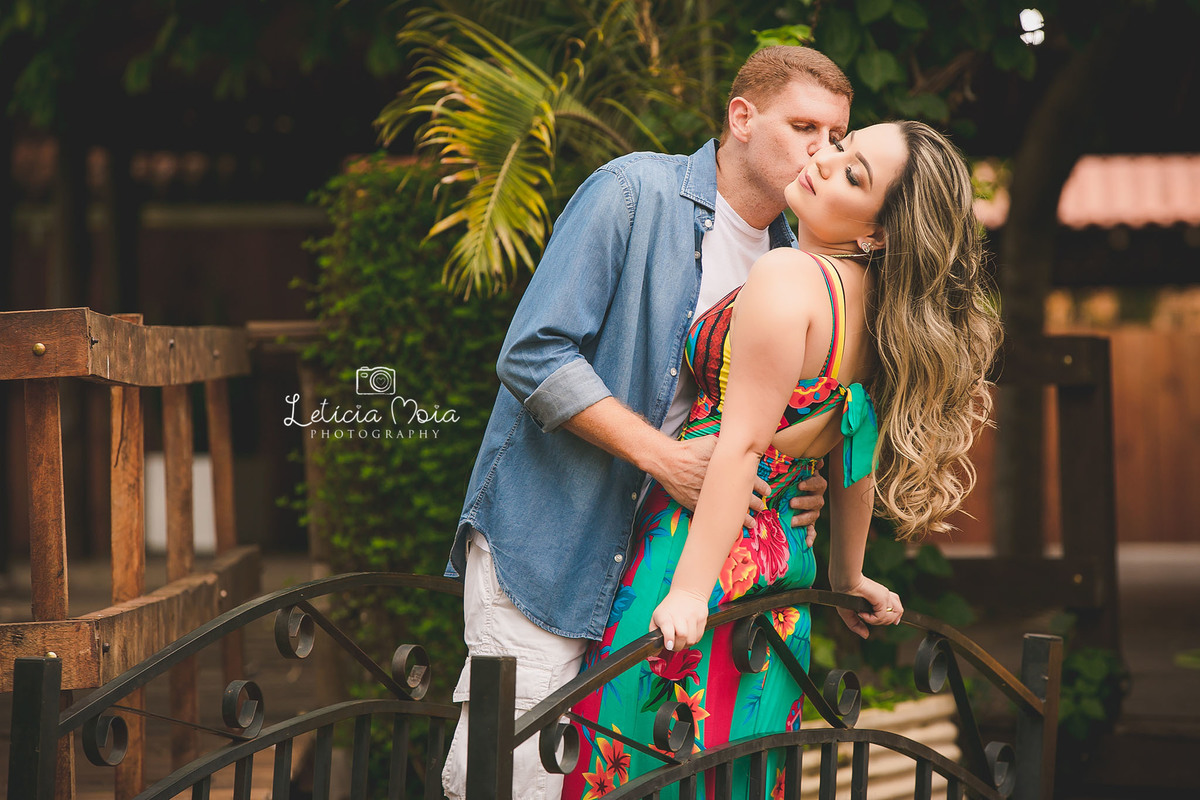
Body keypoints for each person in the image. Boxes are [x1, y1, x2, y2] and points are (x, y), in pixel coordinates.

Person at [441, 47, 854, 800]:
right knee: (515, 780)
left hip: (671, 569)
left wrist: (801, 478)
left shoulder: (794, 258)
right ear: (742, 118)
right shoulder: (632, 193)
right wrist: (668, 461)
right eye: (803, 128)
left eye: (836, 137)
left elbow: (769, 420)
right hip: (557, 538)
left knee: (620, 782)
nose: (821, 153)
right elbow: (533, 354)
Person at [563, 121, 1003, 799]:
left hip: (694, 554)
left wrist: (688, 592)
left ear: (879, 234)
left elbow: (741, 446)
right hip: (784, 576)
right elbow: (856, 444)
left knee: (626, 774)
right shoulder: (879, 312)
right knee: (735, 779)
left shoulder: (787, 274)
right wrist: (847, 572)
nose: (824, 161)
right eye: (841, 147)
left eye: (853, 174)